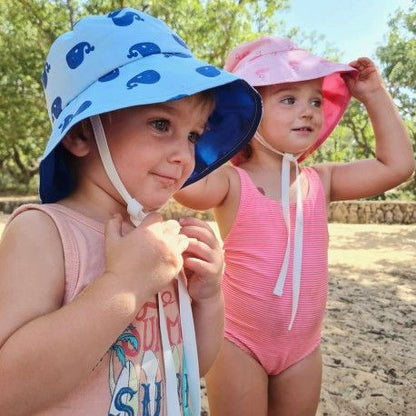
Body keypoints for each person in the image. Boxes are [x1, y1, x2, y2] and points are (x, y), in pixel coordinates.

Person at [0, 8, 262, 416]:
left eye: (193, 135)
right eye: (161, 124)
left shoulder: (159, 240)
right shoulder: (43, 233)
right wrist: (124, 284)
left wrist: (208, 297)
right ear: (83, 133)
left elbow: (191, 368)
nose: (184, 156)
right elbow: (8, 389)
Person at [174, 36, 414, 415]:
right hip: (238, 342)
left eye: (316, 100)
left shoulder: (322, 180)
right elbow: (185, 183)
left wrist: (375, 95)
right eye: (289, 99)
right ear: (250, 113)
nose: (308, 112)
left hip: (303, 349)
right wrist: (200, 117)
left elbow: (397, 166)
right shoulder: (232, 183)